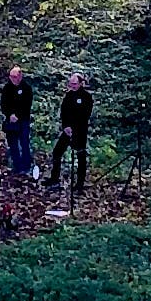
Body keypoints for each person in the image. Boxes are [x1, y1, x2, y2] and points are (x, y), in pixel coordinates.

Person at [51, 72, 93, 205]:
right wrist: (66, 127)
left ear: (81, 84)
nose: (72, 86)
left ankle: (79, 184)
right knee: (57, 152)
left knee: (80, 156)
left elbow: (85, 115)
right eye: (71, 84)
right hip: (67, 130)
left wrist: (74, 128)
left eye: (75, 84)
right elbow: (64, 112)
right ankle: (54, 178)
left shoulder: (86, 97)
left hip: (80, 131)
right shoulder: (68, 96)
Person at [0, 64, 37, 182]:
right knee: (13, 144)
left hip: (23, 120)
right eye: (11, 76)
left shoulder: (26, 88)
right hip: (10, 121)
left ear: (20, 76)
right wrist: (10, 114)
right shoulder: (7, 88)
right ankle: (17, 166)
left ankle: (26, 166)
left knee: (24, 143)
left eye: (15, 76)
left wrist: (18, 115)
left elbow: (27, 105)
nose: (12, 79)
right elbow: (4, 104)